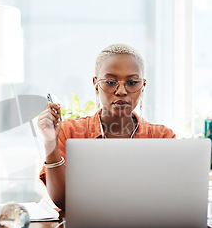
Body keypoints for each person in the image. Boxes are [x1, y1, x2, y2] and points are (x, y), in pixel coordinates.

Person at [37, 43, 175, 209]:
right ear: (96, 84)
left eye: (132, 82)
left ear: (143, 86)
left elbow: (168, 200)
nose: (121, 91)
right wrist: (50, 142)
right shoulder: (69, 132)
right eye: (110, 82)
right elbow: (64, 201)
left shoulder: (163, 137)